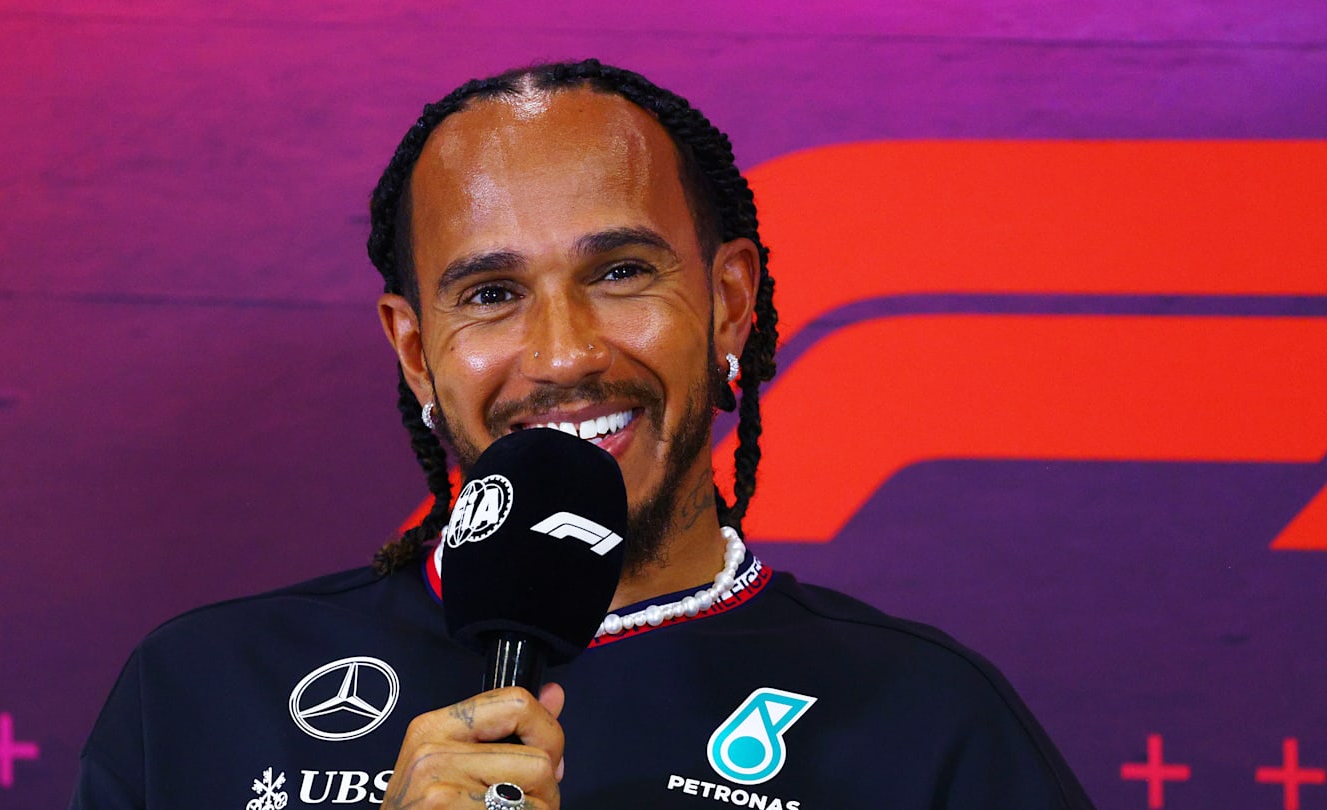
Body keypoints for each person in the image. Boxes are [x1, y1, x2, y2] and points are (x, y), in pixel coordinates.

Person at [72, 59, 1096, 809]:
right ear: (417, 351)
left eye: (619, 273)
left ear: (730, 302)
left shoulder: (928, 724)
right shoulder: (203, 691)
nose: (563, 354)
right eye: (492, 292)